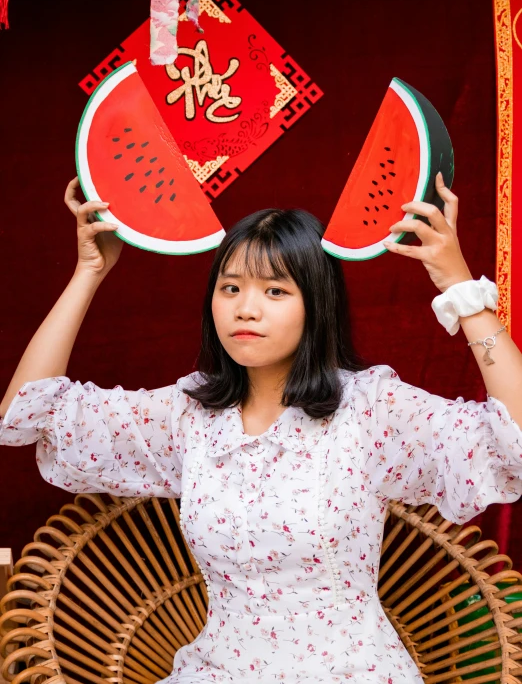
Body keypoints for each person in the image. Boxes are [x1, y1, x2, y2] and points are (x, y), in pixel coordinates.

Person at [1, 172, 522, 684]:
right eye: (230, 287)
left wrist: (461, 291)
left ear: (316, 306)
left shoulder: (370, 410)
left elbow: (514, 444)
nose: (245, 308)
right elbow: (26, 414)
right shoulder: (189, 416)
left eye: (275, 291)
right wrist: (88, 271)